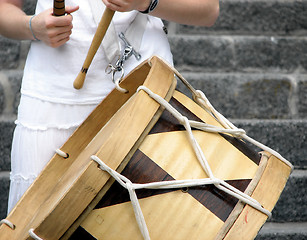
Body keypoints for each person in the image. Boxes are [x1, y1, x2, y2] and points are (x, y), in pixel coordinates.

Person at [0, 0, 219, 214]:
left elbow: (208, 10)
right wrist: (32, 27)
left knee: (156, 217)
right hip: (53, 95)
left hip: (146, 85)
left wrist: (146, 2)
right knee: (35, 219)